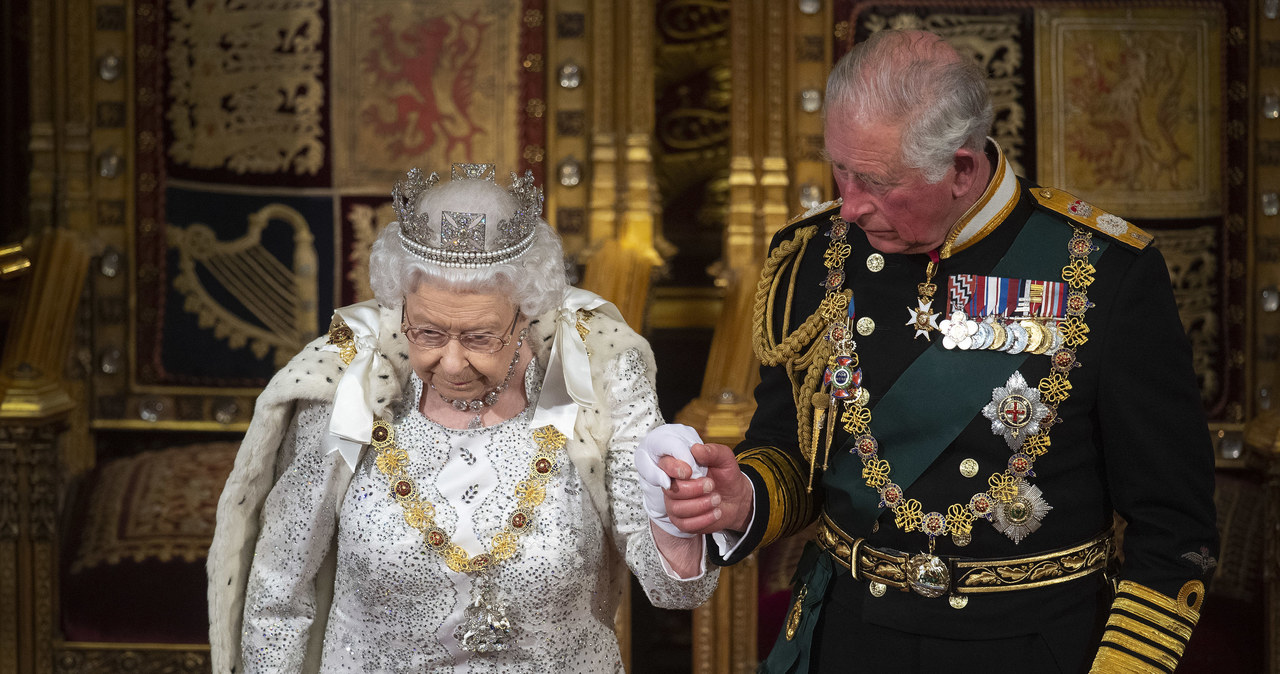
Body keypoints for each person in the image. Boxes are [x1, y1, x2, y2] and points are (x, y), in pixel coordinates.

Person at [640, 29, 1218, 673]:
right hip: (850, 640)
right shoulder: (812, 257)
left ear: (961, 170)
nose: (850, 204)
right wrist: (746, 494)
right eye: (841, 168)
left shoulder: (1104, 270)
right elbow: (791, 450)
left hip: (1031, 649)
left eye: (878, 181)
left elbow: (1174, 530)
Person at [207, 164, 717, 673]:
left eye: (479, 338)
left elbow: (675, 591)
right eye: (426, 333)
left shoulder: (600, 371)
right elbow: (278, 594)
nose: (450, 363)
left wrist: (677, 520)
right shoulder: (348, 378)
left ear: (527, 311)